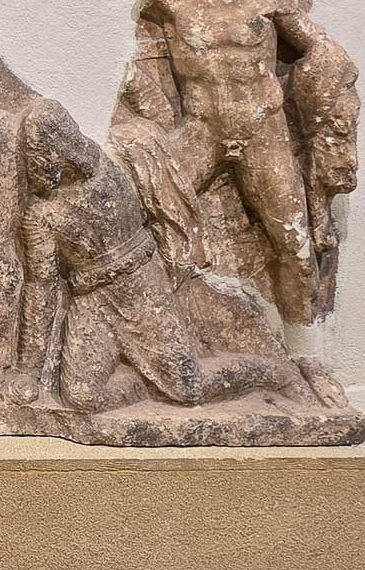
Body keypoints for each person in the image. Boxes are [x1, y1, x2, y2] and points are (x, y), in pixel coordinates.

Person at [124, 0, 354, 324]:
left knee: (293, 244)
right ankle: (167, 327)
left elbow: (321, 52)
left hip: (261, 131)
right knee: (137, 215)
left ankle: (303, 345)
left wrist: (327, 120)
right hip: (201, 130)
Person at [15, 99, 307, 412]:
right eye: (32, 155)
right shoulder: (40, 215)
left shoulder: (118, 162)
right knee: (81, 395)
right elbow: (40, 286)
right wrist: (29, 371)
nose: (36, 164)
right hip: (92, 302)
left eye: (41, 152)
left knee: (189, 386)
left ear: (63, 145)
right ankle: (146, 387)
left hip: (143, 292)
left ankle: (275, 373)